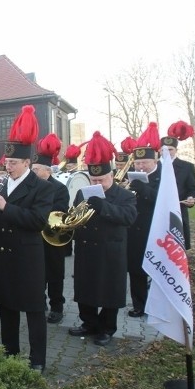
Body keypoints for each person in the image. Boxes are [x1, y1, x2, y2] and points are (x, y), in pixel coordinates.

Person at [0, 105, 52, 373]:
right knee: (6, 308)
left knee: (33, 310)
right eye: (6, 163)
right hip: (2, 255)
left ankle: (38, 360)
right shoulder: (0, 185)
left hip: (27, 256)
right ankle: (10, 352)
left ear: (26, 163)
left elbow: (37, 221)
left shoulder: (41, 188)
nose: (7, 166)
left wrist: (5, 208)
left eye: (12, 163)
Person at [68, 132, 138, 345]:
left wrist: (103, 206)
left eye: (102, 179)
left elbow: (128, 218)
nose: (98, 183)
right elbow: (74, 214)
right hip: (86, 248)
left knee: (109, 291)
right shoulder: (84, 192)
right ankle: (88, 322)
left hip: (110, 251)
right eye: (94, 180)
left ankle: (107, 328)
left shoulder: (125, 196)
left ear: (112, 175)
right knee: (85, 288)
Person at [31, 133, 70, 324]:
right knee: (37, 272)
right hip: (35, 236)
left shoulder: (60, 189)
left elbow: (60, 212)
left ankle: (57, 307)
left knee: (55, 274)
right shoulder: (31, 186)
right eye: (32, 168)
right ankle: (39, 301)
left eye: (36, 169)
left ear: (47, 170)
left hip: (53, 237)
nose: (33, 171)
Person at [126, 123, 162, 317]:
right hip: (134, 228)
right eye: (137, 164)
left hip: (155, 229)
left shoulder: (164, 175)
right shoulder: (133, 176)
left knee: (155, 269)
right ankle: (139, 305)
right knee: (136, 269)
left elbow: (163, 200)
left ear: (154, 160)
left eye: (144, 163)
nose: (140, 167)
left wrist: (142, 188)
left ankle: (157, 305)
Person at [161, 121, 195, 250]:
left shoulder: (187, 167)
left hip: (178, 212)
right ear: (159, 150)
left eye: (171, 149)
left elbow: (193, 189)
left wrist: (191, 198)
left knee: (176, 247)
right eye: (164, 150)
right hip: (157, 213)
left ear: (176, 150)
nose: (167, 152)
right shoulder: (153, 166)